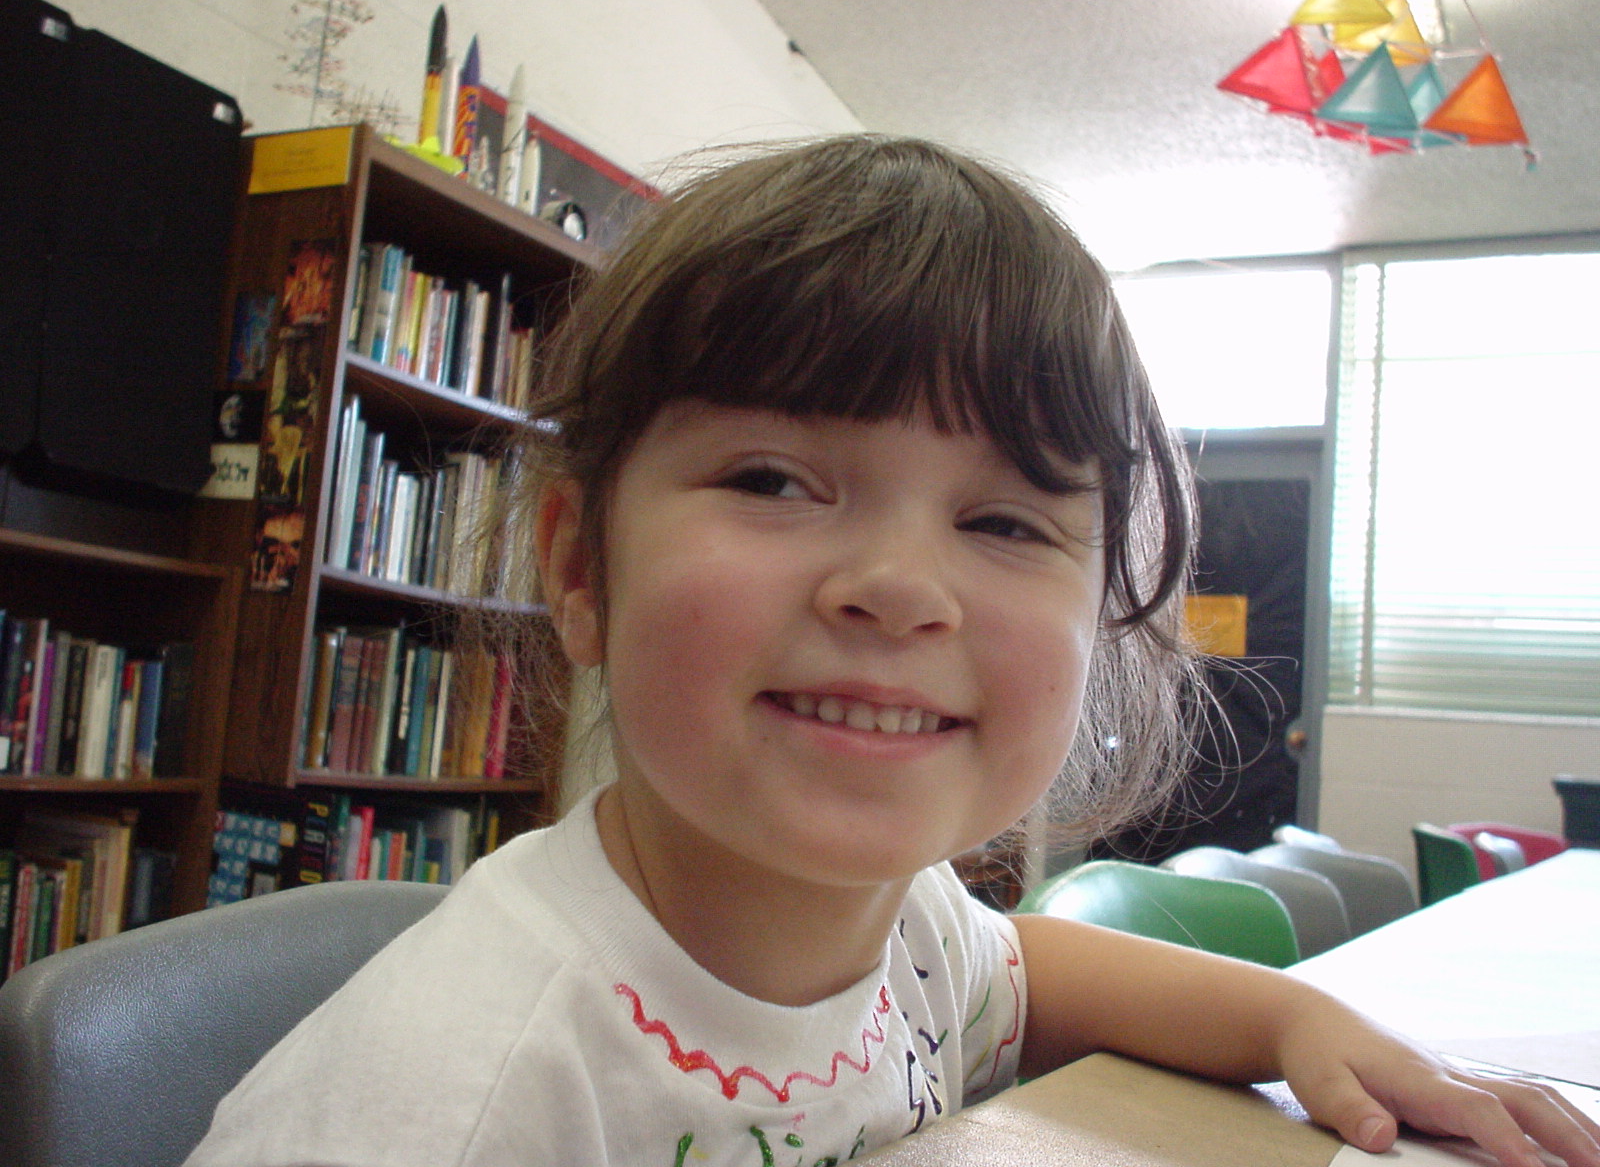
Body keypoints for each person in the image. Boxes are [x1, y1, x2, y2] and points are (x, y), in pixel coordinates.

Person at [186, 135, 1600, 1167]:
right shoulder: (453, 1106)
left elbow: (1034, 972)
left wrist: (1296, 1023)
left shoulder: (906, 927)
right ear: (578, 567)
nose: (901, 590)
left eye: (1005, 521)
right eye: (772, 481)